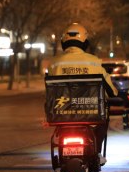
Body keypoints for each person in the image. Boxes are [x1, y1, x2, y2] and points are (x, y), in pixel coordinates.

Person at [47, 23, 118, 163]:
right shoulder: (94, 63)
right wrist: (113, 93)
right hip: (91, 116)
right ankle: (97, 154)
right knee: (103, 122)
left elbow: (49, 92)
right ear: (85, 43)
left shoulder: (54, 64)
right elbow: (111, 90)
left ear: (63, 43)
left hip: (62, 116)